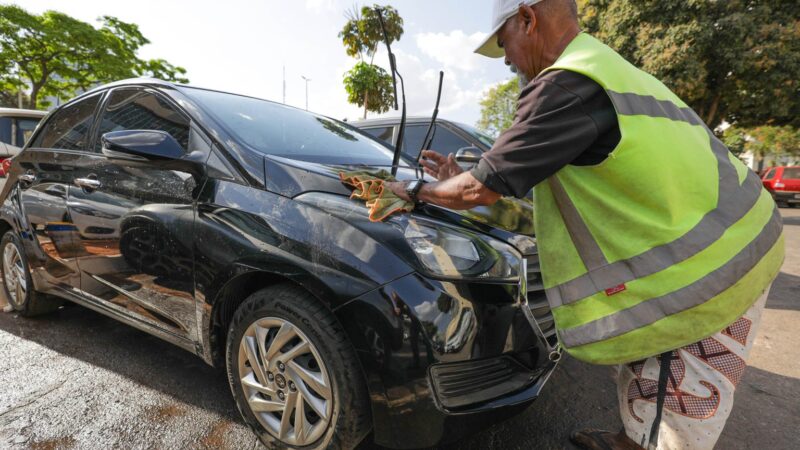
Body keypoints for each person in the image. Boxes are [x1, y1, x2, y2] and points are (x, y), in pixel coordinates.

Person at [385, 1, 784, 449]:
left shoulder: (566, 86)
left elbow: (481, 190)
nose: (507, 59)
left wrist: (414, 192)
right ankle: (627, 439)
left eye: (505, 43)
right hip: (736, 236)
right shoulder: (601, 68)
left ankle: (644, 443)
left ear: (528, 19)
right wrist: (453, 177)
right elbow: (515, 171)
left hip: (706, 273)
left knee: (672, 403)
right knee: (645, 363)